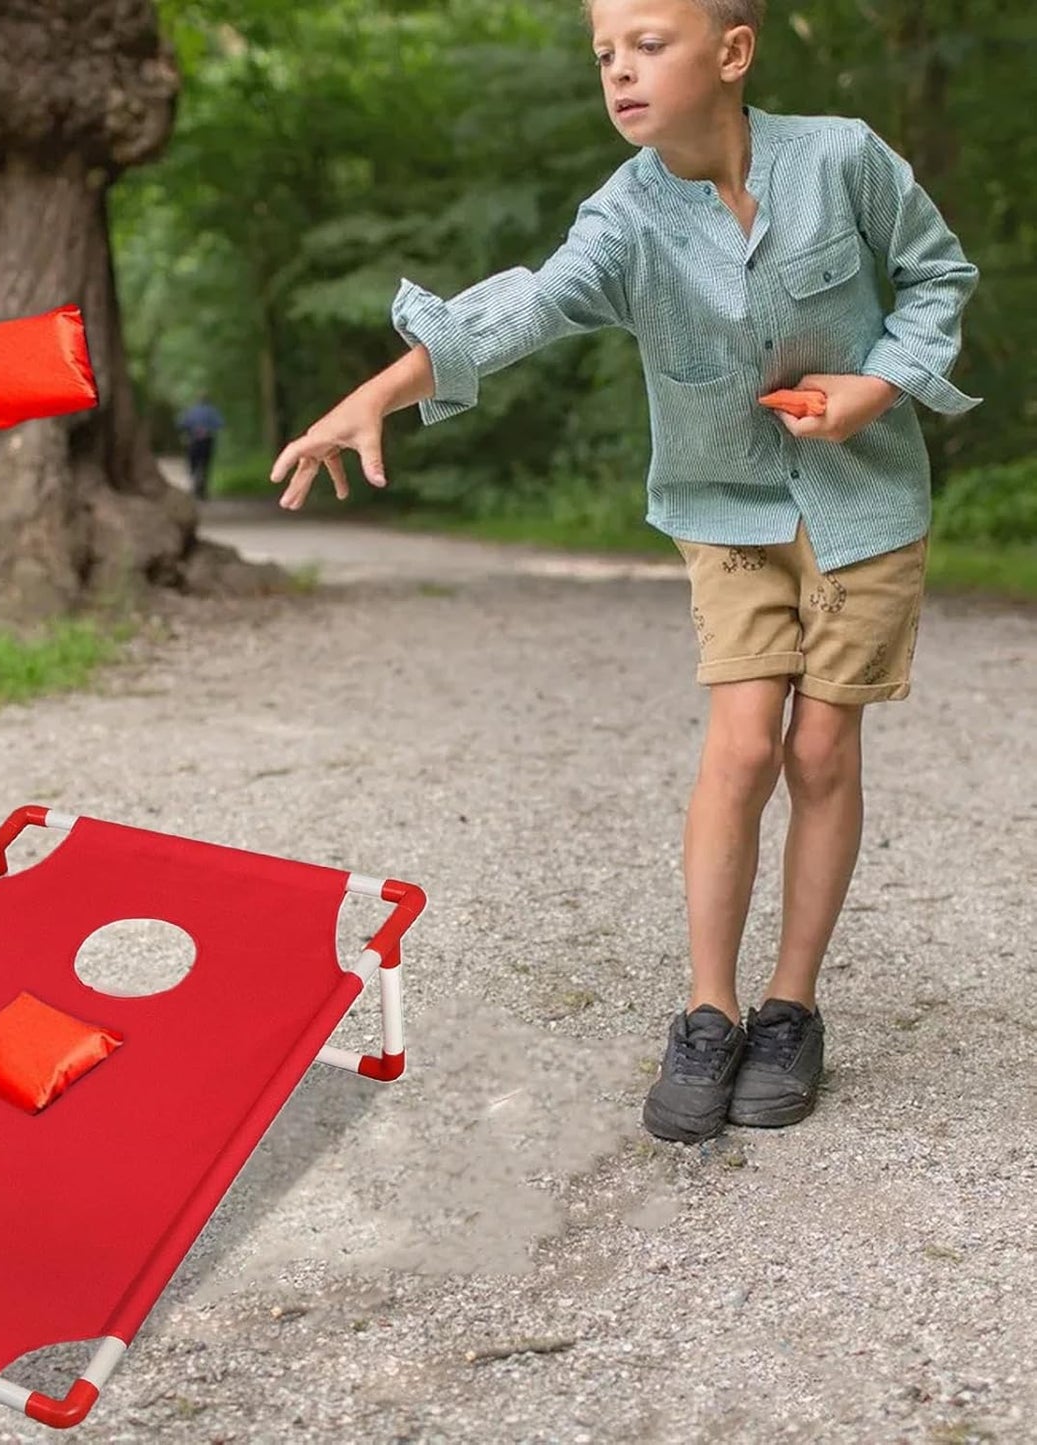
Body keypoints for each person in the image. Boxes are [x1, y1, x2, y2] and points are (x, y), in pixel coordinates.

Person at [268, 0, 979, 1143]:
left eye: (647, 44)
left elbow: (936, 277)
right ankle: (707, 1009)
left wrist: (877, 386)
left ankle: (790, 1006)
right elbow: (525, 307)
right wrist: (378, 391)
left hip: (863, 502)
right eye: (604, 52)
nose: (619, 70)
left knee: (818, 746)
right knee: (741, 741)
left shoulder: (842, 157)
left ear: (731, 53)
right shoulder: (624, 215)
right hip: (724, 510)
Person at [178, 396, 225, 501]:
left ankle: (194, 479)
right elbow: (220, 423)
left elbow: (181, 423)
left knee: (192, 462)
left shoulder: (190, 410)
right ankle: (202, 486)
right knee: (205, 463)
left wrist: (190, 429)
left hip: (193, 440)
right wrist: (209, 428)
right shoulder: (212, 410)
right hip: (206, 440)